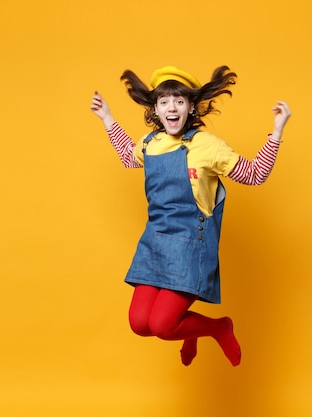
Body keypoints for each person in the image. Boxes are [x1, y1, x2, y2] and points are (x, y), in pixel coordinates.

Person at [90, 65, 291, 366]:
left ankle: (218, 327)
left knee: (163, 324)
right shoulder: (150, 143)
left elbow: (255, 174)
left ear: (191, 107)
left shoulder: (207, 146)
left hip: (190, 248)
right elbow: (126, 157)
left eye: (180, 101)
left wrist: (276, 131)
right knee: (139, 323)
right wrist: (107, 118)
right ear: (155, 109)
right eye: (164, 101)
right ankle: (192, 332)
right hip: (154, 244)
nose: (172, 107)